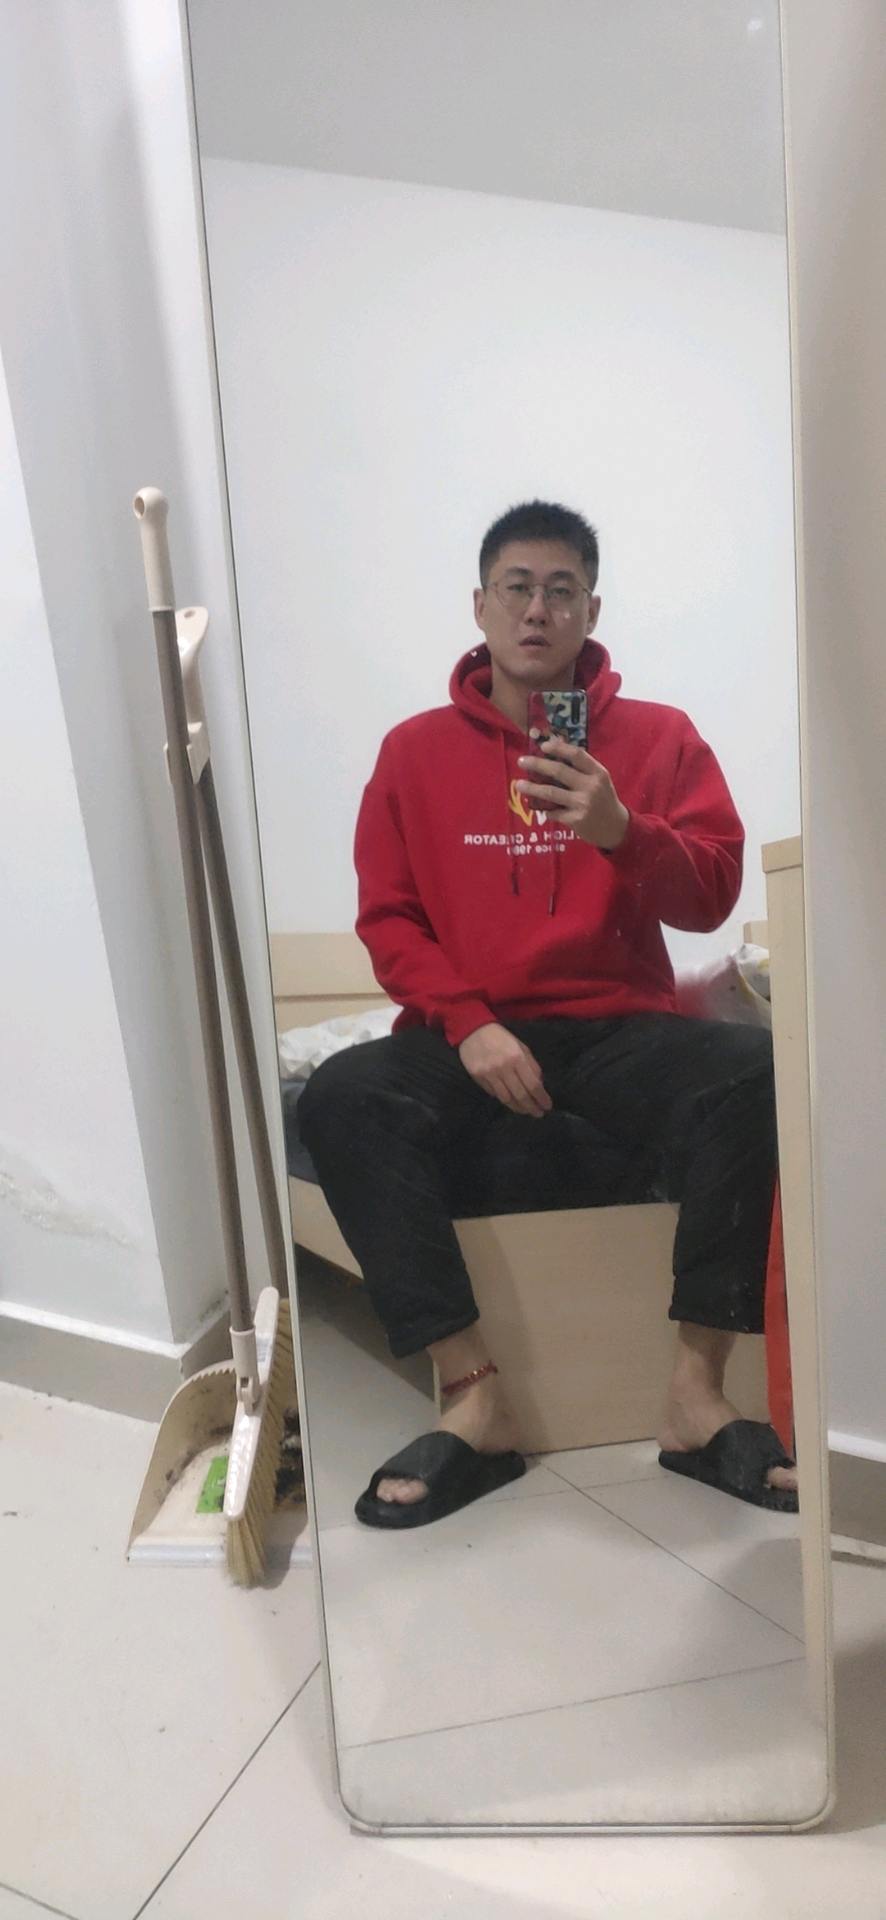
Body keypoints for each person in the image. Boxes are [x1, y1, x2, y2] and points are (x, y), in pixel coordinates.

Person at [298, 500, 798, 1528]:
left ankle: (696, 1397)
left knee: (759, 1072)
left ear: (591, 610)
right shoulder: (412, 752)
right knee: (342, 1095)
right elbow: (388, 920)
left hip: (617, 1027)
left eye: (561, 590)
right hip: (471, 1030)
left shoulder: (659, 737)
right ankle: (473, 1398)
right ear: (481, 606)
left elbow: (711, 896)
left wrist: (622, 828)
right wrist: (467, 1021)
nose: (537, 610)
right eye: (517, 588)